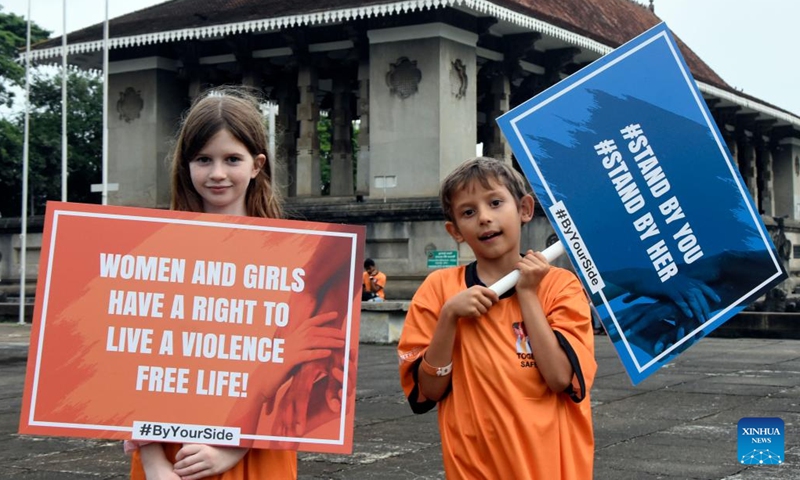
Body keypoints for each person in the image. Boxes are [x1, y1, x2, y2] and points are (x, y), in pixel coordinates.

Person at [126, 87, 347, 480]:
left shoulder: (296, 258)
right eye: (203, 159)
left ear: (257, 164)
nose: (217, 174)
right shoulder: (156, 251)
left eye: (232, 159)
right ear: (186, 165)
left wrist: (235, 444)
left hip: (259, 448)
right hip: (169, 453)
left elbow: (306, 366)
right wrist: (155, 464)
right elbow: (135, 362)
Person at [397, 157, 596, 479]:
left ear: (525, 209)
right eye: (468, 212)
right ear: (455, 230)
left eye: (495, 202)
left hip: (551, 466)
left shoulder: (560, 285)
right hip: (473, 465)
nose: (485, 218)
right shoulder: (439, 289)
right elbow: (428, 391)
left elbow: (560, 378)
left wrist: (528, 294)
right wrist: (449, 318)